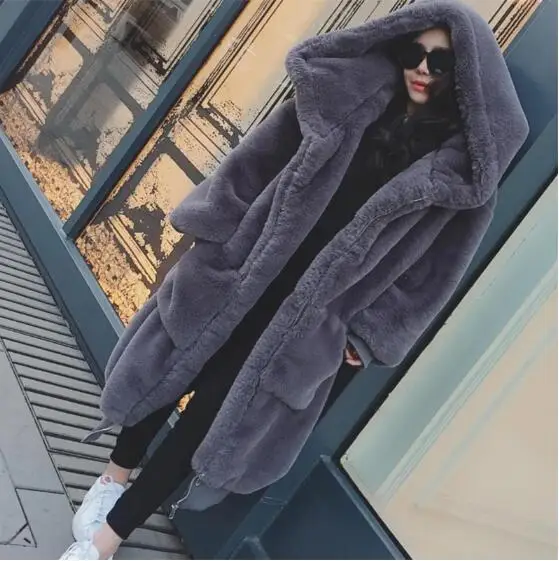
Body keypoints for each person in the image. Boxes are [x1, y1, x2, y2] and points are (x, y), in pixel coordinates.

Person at [60, 1, 528, 558]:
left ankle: (108, 537)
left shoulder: (458, 178)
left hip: (309, 318)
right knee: (168, 367)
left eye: (442, 62)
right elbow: (252, 163)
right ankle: (111, 479)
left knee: (209, 418)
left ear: (465, 77)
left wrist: (366, 336)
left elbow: (434, 274)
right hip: (242, 269)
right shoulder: (339, 100)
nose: (423, 69)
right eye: (414, 53)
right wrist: (212, 230)